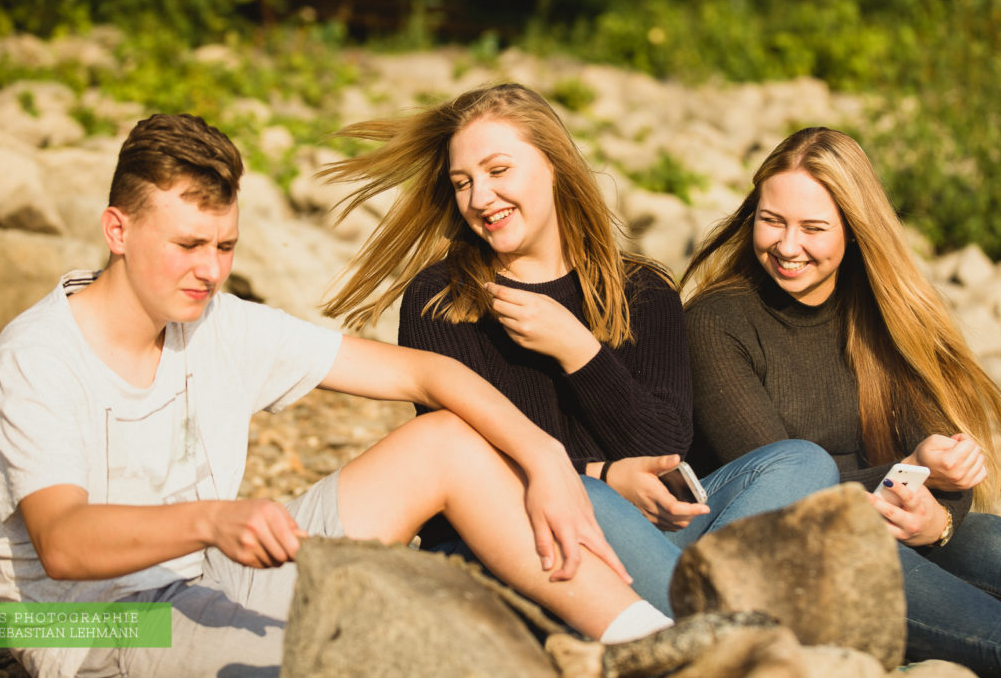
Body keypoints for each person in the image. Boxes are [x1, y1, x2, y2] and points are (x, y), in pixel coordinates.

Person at [0, 113, 675, 678]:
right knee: (375, 647)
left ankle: (658, 644)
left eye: (226, 246)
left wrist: (546, 457)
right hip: (96, 629)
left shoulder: (215, 319)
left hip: (210, 573)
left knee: (447, 440)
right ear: (117, 230)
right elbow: (63, 540)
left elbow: (426, 376)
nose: (210, 271)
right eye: (188, 245)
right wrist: (211, 519)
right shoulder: (38, 359)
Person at [681, 126, 1001, 678]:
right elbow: (787, 486)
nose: (788, 246)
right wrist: (912, 473)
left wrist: (940, 519)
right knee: (863, 554)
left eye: (813, 227)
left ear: (856, 232)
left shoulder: (883, 315)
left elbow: (944, 455)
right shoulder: (715, 324)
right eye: (772, 220)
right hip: (776, 549)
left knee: (990, 538)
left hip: (878, 513)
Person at [320, 83, 839, 616]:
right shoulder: (444, 300)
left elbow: (664, 446)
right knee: (588, 498)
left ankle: (700, 615)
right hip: (521, 538)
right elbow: (467, 466)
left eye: (498, 172)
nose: (479, 198)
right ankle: (717, 627)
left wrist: (580, 353)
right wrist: (604, 478)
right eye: (463, 183)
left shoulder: (643, 291)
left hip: (648, 537)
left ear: (554, 166)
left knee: (802, 464)